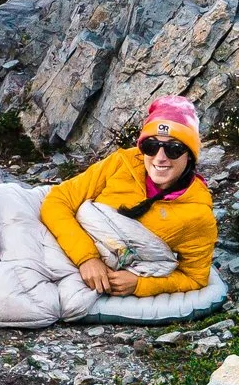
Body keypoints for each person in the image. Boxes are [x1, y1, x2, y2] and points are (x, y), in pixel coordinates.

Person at [38, 96, 218, 299]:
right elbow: (58, 200)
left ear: (190, 156)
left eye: (174, 149)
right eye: (151, 146)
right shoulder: (123, 163)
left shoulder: (198, 214)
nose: (160, 157)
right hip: (68, 248)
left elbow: (194, 278)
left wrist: (141, 284)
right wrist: (87, 258)